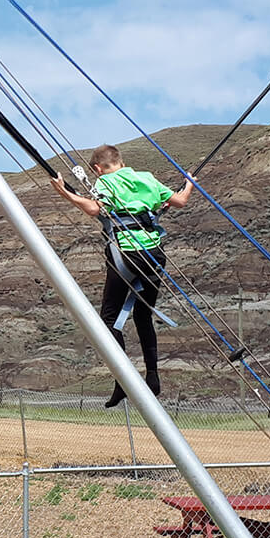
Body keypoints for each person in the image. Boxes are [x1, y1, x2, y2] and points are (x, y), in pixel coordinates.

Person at [50, 145, 195, 409]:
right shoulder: (147, 178)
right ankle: (152, 376)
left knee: (109, 319)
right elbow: (180, 201)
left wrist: (65, 194)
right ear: (121, 161)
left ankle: (122, 381)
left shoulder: (105, 182)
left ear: (97, 169)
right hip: (154, 256)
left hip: (126, 256)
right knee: (143, 314)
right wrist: (189, 184)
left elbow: (94, 209)